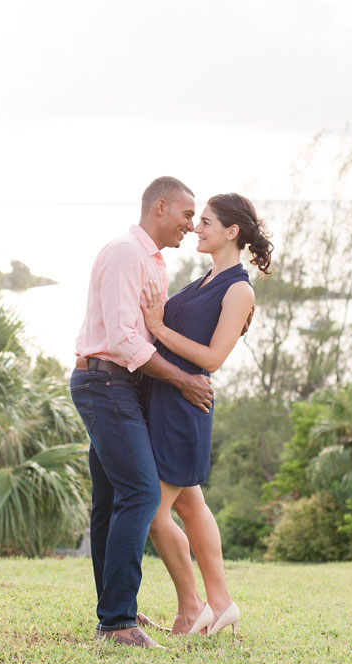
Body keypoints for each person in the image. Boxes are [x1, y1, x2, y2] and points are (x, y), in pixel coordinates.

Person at [71, 176, 216, 649]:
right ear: (159, 207)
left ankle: (117, 613)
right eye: (186, 214)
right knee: (140, 494)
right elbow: (121, 337)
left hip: (123, 386)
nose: (190, 226)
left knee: (112, 502)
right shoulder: (124, 255)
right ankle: (116, 624)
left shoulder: (153, 263)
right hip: (106, 383)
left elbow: (157, 329)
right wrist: (182, 379)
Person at [139, 192, 273, 636]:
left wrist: (158, 328)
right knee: (192, 506)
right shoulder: (203, 279)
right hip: (163, 401)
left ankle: (192, 605)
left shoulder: (238, 288)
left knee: (154, 516)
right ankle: (221, 603)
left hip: (185, 408)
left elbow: (213, 358)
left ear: (232, 232)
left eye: (207, 222)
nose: (197, 226)